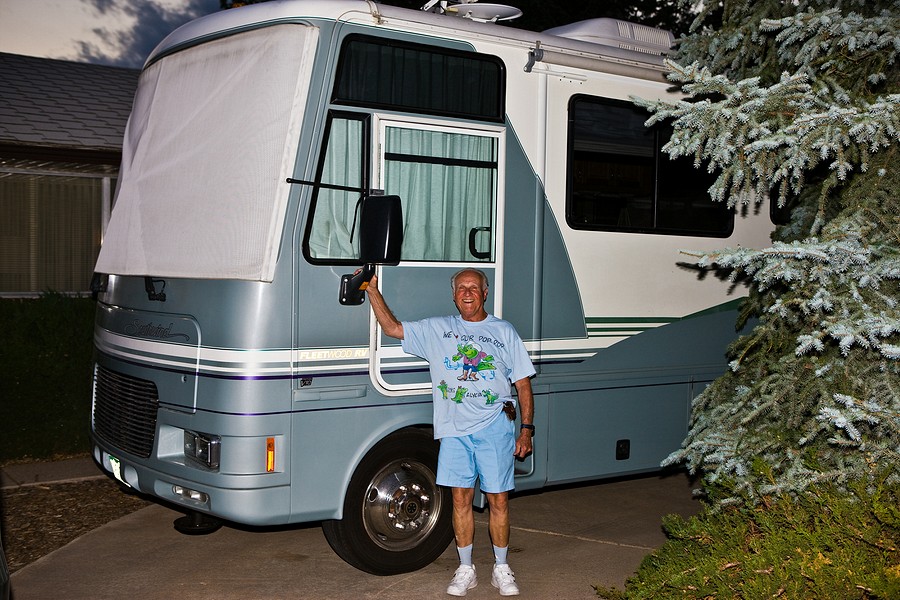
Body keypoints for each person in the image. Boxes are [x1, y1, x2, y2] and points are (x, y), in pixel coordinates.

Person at [365, 268, 535, 597]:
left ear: (485, 293)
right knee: (460, 500)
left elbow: (523, 384)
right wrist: (372, 290)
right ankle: (466, 568)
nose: (467, 293)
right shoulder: (438, 329)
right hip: (454, 430)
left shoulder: (504, 331)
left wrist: (526, 430)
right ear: (454, 295)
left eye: (474, 287)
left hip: (495, 426)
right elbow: (392, 328)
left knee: (499, 501)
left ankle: (501, 567)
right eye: (461, 288)